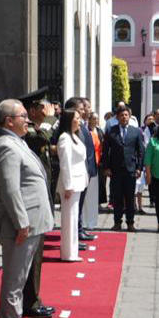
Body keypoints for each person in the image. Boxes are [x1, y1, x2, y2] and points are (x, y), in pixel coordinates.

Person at [0, 99, 53, 318]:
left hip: (31, 222)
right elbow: (10, 189)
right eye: (23, 116)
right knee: (14, 281)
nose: (28, 120)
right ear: (8, 121)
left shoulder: (17, 142)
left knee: (20, 278)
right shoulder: (6, 146)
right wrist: (21, 222)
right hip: (21, 225)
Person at [18, 89, 56, 318]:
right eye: (44, 107)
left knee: (37, 255)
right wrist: (51, 119)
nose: (48, 110)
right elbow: (44, 138)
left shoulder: (36, 130)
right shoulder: (32, 133)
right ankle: (30, 302)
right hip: (31, 203)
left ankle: (33, 298)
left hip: (41, 199)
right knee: (32, 256)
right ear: (32, 111)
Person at [103, 104, 145, 232]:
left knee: (130, 197)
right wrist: (106, 167)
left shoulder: (136, 131)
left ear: (130, 116)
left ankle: (130, 223)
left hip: (131, 169)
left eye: (126, 115)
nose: (124, 117)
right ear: (117, 117)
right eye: (121, 115)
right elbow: (105, 151)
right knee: (117, 197)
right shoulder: (111, 131)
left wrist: (139, 168)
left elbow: (141, 151)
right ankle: (117, 222)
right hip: (115, 170)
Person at [56, 106, 89, 259]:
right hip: (71, 184)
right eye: (76, 118)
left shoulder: (73, 136)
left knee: (74, 217)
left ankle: (73, 251)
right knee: (69, 218)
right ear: (69, 120)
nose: (79, 121)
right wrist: (68, 185)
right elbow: (65, 163)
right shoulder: (64, 137)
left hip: (78, 181)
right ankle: (68, 253)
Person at [81, 109, 104, 234]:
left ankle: (92, 221)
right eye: (93, 118)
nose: (95, 120)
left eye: (96, 118)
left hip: (97, 165)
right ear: (89, 120)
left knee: (94, 195)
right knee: (86, 195)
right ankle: (84, 221)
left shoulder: (100, 131)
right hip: (88, 165)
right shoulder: (86, 132)